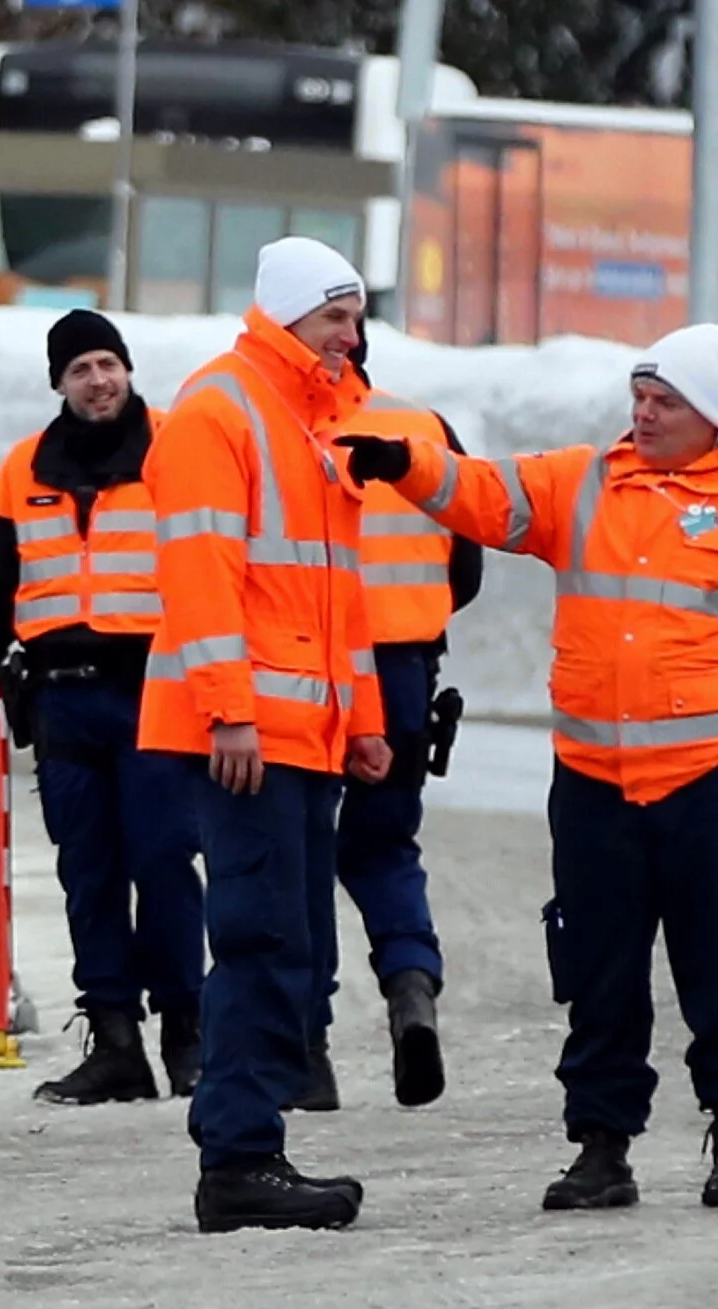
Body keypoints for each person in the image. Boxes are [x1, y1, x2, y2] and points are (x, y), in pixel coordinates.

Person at [336, 322, 718, 1210]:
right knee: (599, 971)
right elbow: (481, 494)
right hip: (595, 785)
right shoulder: (580, 484)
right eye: (639, 398)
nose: (644, 416)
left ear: (712, 418)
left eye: (665, 404)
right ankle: (601, 1148)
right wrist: (405, 462)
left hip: (709, 783)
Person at [140, 236, 392, 1233]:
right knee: (255, 939)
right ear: (289, 313)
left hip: (297, 733)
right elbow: (200, 575)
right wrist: (229, 708)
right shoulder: (223, 408)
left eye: (354, 316)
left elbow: (336, 601)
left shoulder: (307, 420)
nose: (350, 336)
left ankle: (249, 1146)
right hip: (243, 733)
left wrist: (362, 721)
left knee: (283, 943)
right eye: (336, 316)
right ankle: (239, 1160)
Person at [0, 310, 204, 1106]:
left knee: (166, 863)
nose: (98, 381)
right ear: (59, 383)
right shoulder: (22, 468)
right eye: (80, 370)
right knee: (88, 875)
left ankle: (187, 1032)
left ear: (128, 368)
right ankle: (114, 1040)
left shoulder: (180, 448)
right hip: (63, 702)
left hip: (158, 693)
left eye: (107, 363)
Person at [287, 329, 482, 1112]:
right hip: (404, 671)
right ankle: (410, 992)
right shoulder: (424, 428)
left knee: (301, 850)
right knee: (383, 847)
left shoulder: (289, 437)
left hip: (307, 666)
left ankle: (309, 1052)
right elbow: (464, 564)